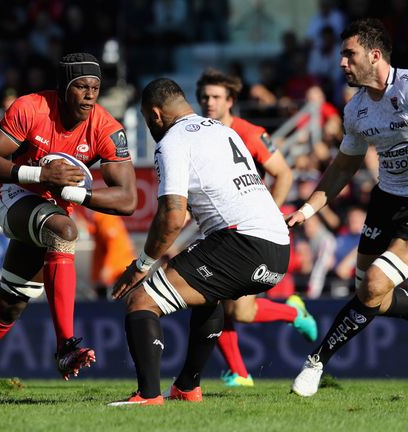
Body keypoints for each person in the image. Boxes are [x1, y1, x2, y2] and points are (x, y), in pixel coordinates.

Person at [0, 53, 138, 398]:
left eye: (95, 88)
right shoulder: (31, 108)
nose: (89, 95)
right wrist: (39, 174)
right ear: (63, 88)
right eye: (81, 86)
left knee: (10, 304)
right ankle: (66, 345)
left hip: (52, 208)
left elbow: (128, 199)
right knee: (65, 230)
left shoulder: (106, 127)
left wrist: (76, 193)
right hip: (14, 195)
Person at [108, 78, 290, 406]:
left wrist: (142, 265)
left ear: (155, 115)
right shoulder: (224, 130)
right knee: (207, 298)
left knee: (141, 302)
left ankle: (148, 395)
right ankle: (187, 387)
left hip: (242, 242)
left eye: (149, 122)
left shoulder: (173, 141)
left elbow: (172, 216)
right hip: (278, 249)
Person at [289, 18, 408, 397]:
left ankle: (316, 361)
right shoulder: (356, 110)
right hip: (385, 200)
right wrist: (307, 211)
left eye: (348, 54)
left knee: (374, 284)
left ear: (374, 56)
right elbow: (343, 167)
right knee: (371, 294)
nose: (342, 63)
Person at [196, 69, 317, 387]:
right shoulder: (198, 135)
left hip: (248, 232)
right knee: (217, 300)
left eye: (216, 97)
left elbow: (284, 174)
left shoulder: (250, 134)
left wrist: (270, 215)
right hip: (218, 228)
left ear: (231, 101)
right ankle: (238, 372)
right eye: (205, 97)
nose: (209, 103)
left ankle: (293, 314)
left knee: (239, 309)